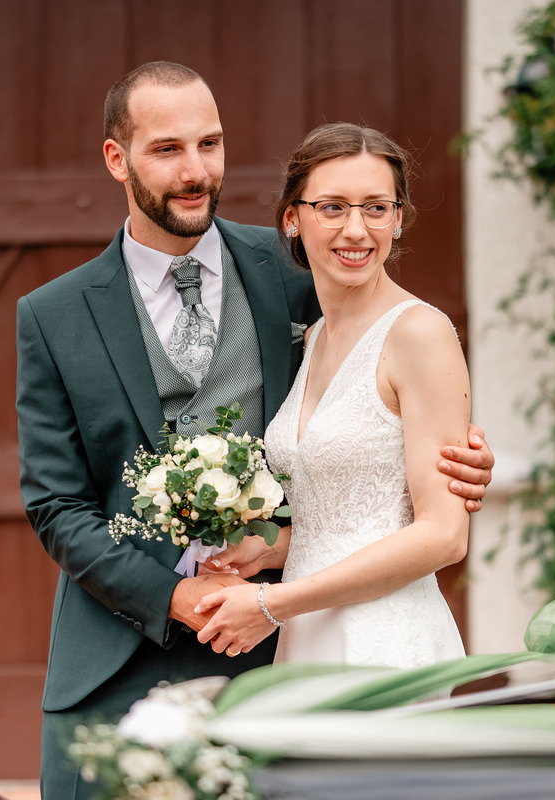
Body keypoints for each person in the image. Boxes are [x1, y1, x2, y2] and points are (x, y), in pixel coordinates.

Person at [15, 63, 494, 800]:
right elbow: (57, 506)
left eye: (210, 144)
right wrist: (174, 597)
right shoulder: (53, 315)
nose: (195, 170)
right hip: (113, 653)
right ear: (117, 158)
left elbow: (389, 396)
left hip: (275, 649)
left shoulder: (299, 271)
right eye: (167, 149)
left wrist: (458, 456)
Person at [194, 123, 471, 669]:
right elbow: (343, 521)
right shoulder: (314, 338)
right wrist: (267, 550)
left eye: (376, 208)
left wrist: (272, 603)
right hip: (311, 632)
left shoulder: (420, 333)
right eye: (333, 208)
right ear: (292, 219)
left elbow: (443, 535)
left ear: (397, 218)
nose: (357, 230)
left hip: (385, 641)